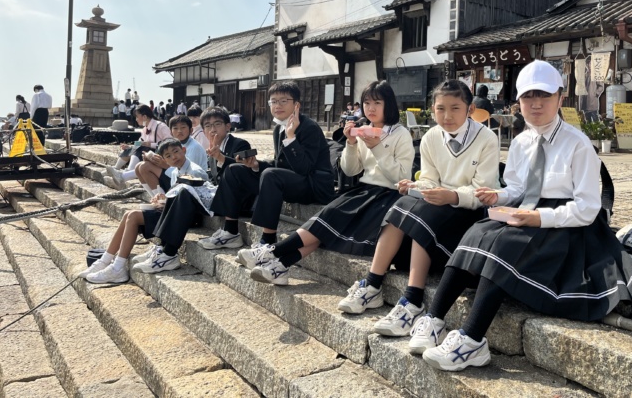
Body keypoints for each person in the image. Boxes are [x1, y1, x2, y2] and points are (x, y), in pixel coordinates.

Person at [409, 60, 632, 371]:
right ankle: (434, 317)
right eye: (527, 97)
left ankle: (472, 339)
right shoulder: (521, 141)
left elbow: (588, 209)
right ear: (518, 102)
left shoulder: (579, 145)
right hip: (528, 212)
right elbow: (518, 187)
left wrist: (539, 218)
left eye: (544, 96)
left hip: (568, 226)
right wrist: (499, 195)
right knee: (478, 232)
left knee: (506, 244)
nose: (535, 105)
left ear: (561, 98)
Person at [336, 80, 500, 339]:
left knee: (421, 212)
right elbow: (430, 180)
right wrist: (414, 185)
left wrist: (452, 195)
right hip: (438, 204)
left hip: (469, 211)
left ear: (469, 109)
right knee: (402, 203)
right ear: (432, 109)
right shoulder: (432, 137)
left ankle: (412, 300)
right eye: (440, 109)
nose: (446, 116)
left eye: (455, 108)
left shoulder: (486, 138)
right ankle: (373, 282)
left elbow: (484, 191)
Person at [250, 81, 415, 285]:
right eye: (366, 103)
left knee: (327, 225)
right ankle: (280, 266)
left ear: (388, 104)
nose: (370, 108)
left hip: (387, 194)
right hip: (362, 190)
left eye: (377, 103)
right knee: (324, 224)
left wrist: (378, 148)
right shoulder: (364, 130)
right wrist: (352, 144)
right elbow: (350, 170)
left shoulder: (400, 134)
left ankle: (272, 253)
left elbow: (401, 177)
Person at [198, 81, 335, 257]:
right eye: (273, 101)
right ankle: (230, 231)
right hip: (290, 181)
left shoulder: (309, 127)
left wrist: (291, 138)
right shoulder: (279, 127)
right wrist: (255, 165)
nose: (277, 105)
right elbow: (280, 165)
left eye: (284, 101)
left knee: (271, 175)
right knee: (234, 169)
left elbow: (304, 168)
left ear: (296, 105)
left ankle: (268, 240)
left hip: (314, 185)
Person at [134, 107, 250, 273]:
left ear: (228, 126)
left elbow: (244, 172)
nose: (213, 129)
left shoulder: (239, 144)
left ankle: (168, 253)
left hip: (236, 201)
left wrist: (221, 158)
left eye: (217, 124)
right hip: (216, 195)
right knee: (180, 191)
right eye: (208, 126)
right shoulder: (211, 147)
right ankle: (164, 248)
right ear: (203, 130)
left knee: (184, 191)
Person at [80, 138, 209, 284]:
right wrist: (162, 198)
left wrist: (166, 202)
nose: (174, 157)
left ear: (183, 151)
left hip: (184, 217)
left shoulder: (196, 171)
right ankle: (105, 261)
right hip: (173, 211)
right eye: (168, 156)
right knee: (128, 214)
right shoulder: (175, 172)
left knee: (133, 216)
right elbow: (175, 195)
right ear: (164, 160)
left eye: (176, 152)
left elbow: (196, 200)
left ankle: (117, 268)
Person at [134, 115, 208, 198]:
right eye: (175, 128)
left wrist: (163, 164)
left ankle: (162, 202)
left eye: (183, 127)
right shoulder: (173, 144)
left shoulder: (194, 147)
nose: (179, 131)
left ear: (191, 130)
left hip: (188, 183)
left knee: (145, 167)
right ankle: (156, 198)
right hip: (175, 174)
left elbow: (189, 173)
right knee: (138, 166)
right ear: (171, 132)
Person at [106, 104, 173, 189]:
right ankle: (117, 170)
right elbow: (140, 142)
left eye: (137, 117)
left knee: (140, 148)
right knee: (133, 147)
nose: (136, 120)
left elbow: (169, 143)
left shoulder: (160, 126)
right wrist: (129, 146)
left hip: (159, 155)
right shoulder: (145, 128)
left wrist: (150, 144)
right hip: (146, 153)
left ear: (144, 117)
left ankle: (125, 173)